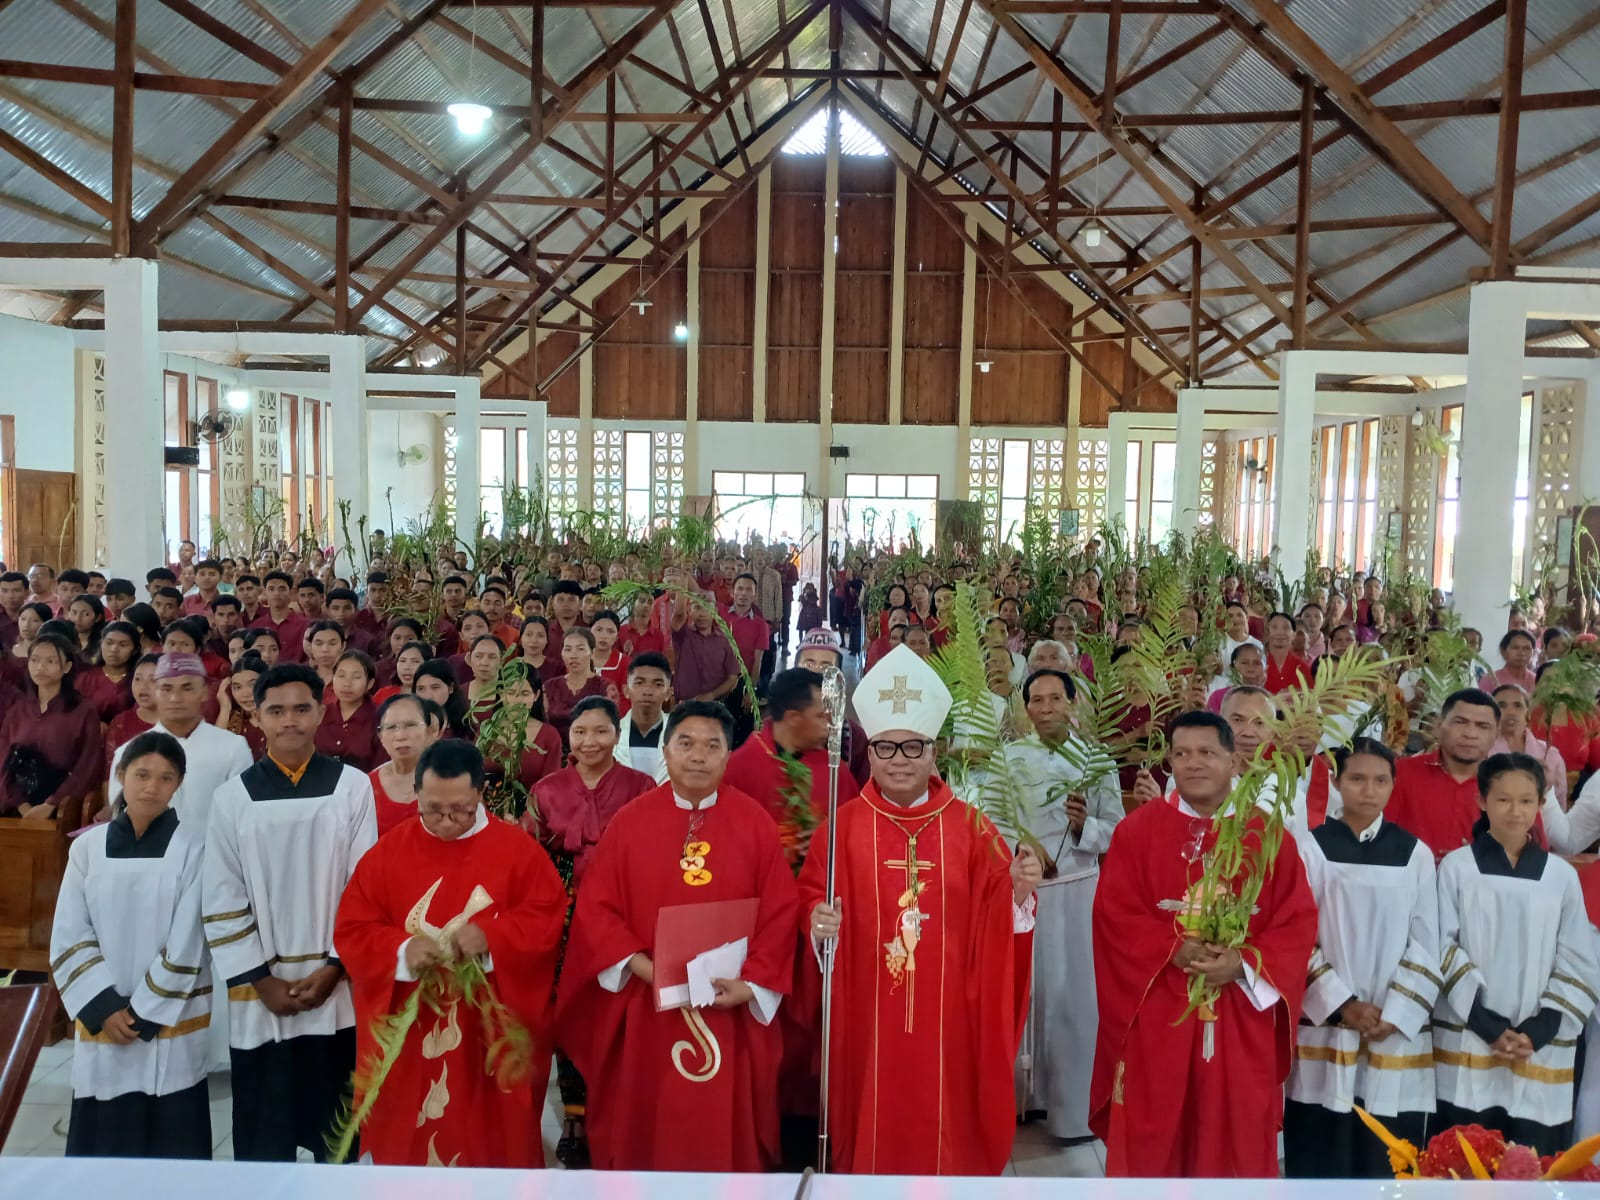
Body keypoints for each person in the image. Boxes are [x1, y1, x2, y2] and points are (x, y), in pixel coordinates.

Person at [802, 644, 1041, 1174]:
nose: (901, 761)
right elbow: (812, 910)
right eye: (887, 749)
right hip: (867, 1013)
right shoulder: (841, 830)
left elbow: (999, 914)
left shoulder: (972, 829)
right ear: (870, 753)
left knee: (947, 1124)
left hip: (952, 1014)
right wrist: (819, 928)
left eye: (915, 748)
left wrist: (1019, 894)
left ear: (936, 752)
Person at [555, 700, 799, 1172]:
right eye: (685, 743)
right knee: (646, 1120)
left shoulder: (755, 825)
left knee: (720, 1134)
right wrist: (646, 969)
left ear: (729, 755)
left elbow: (781, 913)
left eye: (713, 745)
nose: (698, 756)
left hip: (730, 1010)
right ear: (664, 751)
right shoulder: (630, 822)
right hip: (648, 1007)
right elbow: (597, 909)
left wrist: (751, 984)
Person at [1090, 710, 1318, 1177]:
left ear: (1234, 761)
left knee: (1236, 1133)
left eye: (1207, 753)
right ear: (1169, 762)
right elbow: (1114, 915)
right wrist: (1171, 948)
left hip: (1239, 1014)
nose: (1193, 763)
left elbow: (1295, 922)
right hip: (1159, 1010)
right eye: (1181, 754)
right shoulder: (1136, 832)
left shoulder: (1267, 835)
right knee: (1155, 1134)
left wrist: (1243, 963)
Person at [333, 739, 567, 1167]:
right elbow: (352, 928)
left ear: (480, 793)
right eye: (433, 809)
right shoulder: (387, 854)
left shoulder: (518, 853)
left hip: (486, 1031)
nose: (445, 821)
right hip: (413, 1024)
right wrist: (401, 950)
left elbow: (546, 917)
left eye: (459, 809)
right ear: (416, 794)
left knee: (489, 1140)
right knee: (410, 1139)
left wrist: (494, 938)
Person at [202, 662, 378, 1162]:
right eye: (276, 711)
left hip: (334, 989)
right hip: (262, 995)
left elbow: (362, 886)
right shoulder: (231, 798)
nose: (290, 721)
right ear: (257, 717)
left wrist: (333, 967)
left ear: (320, 712)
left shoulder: (352, 787)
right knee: (265, 1138)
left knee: (336, 1139)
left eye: (302, 708)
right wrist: (261, 981)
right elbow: (222, 894)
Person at [50, 731, 213, 1158]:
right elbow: (70, 930)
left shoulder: (195, 848)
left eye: (165, 777)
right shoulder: (87, 848)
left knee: (172, 1140)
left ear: (179, 783)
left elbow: (190, 938)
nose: (151, 787)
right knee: (105, 1143)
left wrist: (145, 1010)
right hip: (105, 1015)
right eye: (141, 774)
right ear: (121, 775)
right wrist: (104, 1007)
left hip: (169, 1018)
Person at [1284, 738, 1439, 1178]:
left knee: (1385, 1154)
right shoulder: (1310, 849)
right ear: (1336, 782)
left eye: (1379, 780)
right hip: (1328, 1027)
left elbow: (1428, 942)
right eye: (1356, 779)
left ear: (1393, 786)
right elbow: (1296, 935)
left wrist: (1398, 1010)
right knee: (1321, 1149)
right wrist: (1343, 1005)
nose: (1368, 790)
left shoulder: (1415, 855)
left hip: (1392, 1028)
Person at [1434, 753, 1600, 1154]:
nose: (1515, 811)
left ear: (1541, 803)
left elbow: (1577, 957)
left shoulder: (1560, 876)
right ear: (1482, 801)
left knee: (1533, 1162)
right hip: (1472, 1035)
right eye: (1503, 799)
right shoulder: (1457, 868)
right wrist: (1487, 1023)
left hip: (1540, 1044)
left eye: (1526, 800)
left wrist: (1539, 1029)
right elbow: (1441, 947)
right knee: (1465, 1159)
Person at [1000, 668, 1123, 1142]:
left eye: (1056, 699)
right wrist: (1023, 850)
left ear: (1073, 704)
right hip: (1026, 891)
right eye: (1037, 700)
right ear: (1025, 708)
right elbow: (993, 817)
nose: (1047, 708)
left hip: (1076, 892)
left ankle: (1071, 1109)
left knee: (1073, 997)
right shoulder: (1008, 759)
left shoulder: (1096, 760)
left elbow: (1116, 828)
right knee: (1026, 994)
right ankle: (1020, 1103)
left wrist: (1082, 827)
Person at [723, 667, 860, 869]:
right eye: (821, 715)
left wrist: (828, 837)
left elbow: (857, 831)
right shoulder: (738, 769)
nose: (830, 724)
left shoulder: (833, 769)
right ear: (793, 718)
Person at [108, 652, 252, 837]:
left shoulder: (232, 747)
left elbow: (241, 816)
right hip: (149, 860)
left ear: (204, 692)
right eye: (166, 688)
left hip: (213, 858)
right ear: (156, 693)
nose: (175, 698)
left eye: (187, 688)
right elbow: (122, 821)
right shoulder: (129, 752)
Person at [1387, 688, 1503, 861]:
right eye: (1460, 722)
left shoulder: (1510, 783)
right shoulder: (1400, 773)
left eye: (1482, 726)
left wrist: (1478, 862)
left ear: (1496, 734)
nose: (1470, 734)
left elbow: (1530, 852)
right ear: (1440, 726)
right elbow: (1375, 837)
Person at [0, 631, 102, 820]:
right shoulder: (17, 709)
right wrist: (21, 805)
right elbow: (3, 760)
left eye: (51, 661)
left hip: (63, 806)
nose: (40, 667)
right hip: (15, 805)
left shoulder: (83, 710)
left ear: (67, 667)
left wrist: (52, 803)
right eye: (35, 660)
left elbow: (88, 765)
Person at [369, 693, 443, 837]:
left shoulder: (452, 779)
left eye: (410, 725)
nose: (401, 735)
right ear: (380, 736)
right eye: (390, 727)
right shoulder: (366, 786)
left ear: (429, 731)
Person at [1490, 683, 1569, 806]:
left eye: (1518, 705)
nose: (1510, 712)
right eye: (1502, 705)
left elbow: (1560, 802)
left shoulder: (1550, 755)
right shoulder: (1481, 751)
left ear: (1528, 714)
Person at [545, 627, 621, 747]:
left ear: (592, 653)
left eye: (580, 649)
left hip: (592, 749)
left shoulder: (605, 687)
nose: (573, 655)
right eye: (568, 649)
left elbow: (609, 726)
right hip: (555, 752)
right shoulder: (549, 687)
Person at [316, 649, 379, 770]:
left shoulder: (380, 717)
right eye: (341, 675)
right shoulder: (320, 713)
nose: (347, 683)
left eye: (356, 677)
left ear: (370, 684)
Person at [614, 651, 671, 782]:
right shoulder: (611, 734)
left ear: (668, 693)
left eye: (657, 684)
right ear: (626, 690)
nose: (647, 691)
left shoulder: (680, 735)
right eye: (639, 683)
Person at [248, 571, 308, 663]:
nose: (276, 593)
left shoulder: (305, 625)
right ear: (264, 592)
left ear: (290, 593)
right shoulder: (255, 627)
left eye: (282, 589)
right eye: (271, 589)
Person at [1262, 611, 1313, 694]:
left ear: (1293, 635)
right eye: (1274, 627)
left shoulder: (1302, 668)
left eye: (1286, 628)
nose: (1280, 632)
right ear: (1267, 634)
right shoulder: (1258, 665)